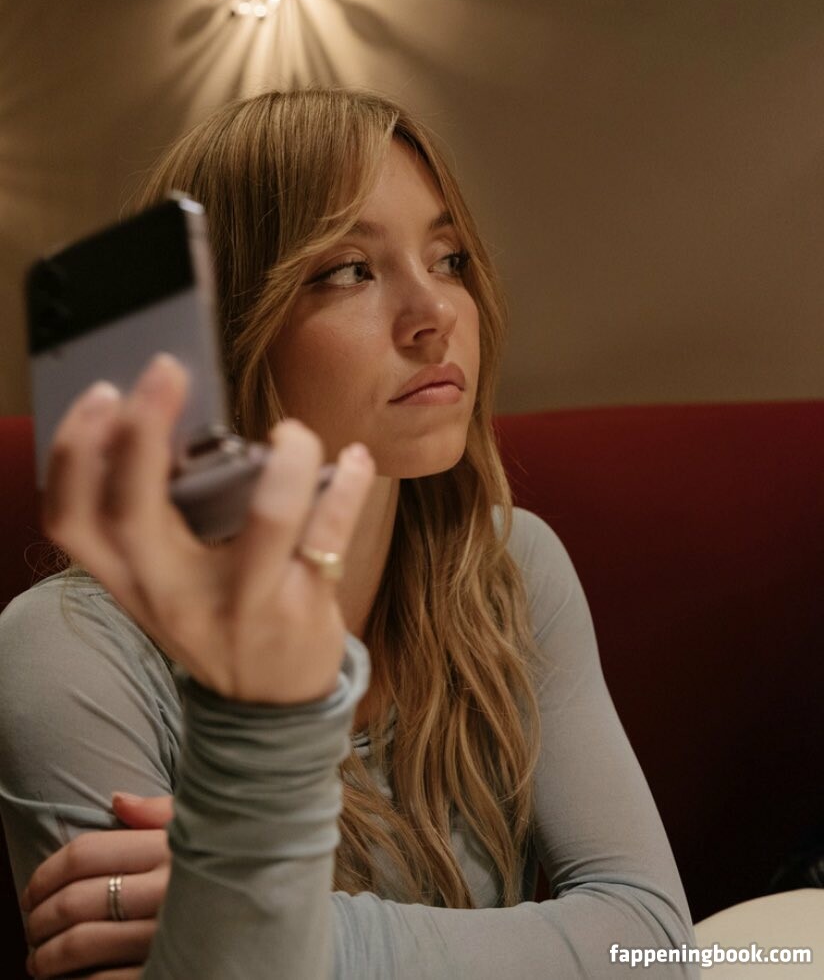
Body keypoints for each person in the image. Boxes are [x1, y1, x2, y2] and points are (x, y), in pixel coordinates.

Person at [0, 88, 698, 978]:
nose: (434, 312)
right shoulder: (68, 653)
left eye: (448, 258)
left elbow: (653, 938)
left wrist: (298, 933)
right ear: (221, 333)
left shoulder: (511, 567)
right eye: (349, 270)